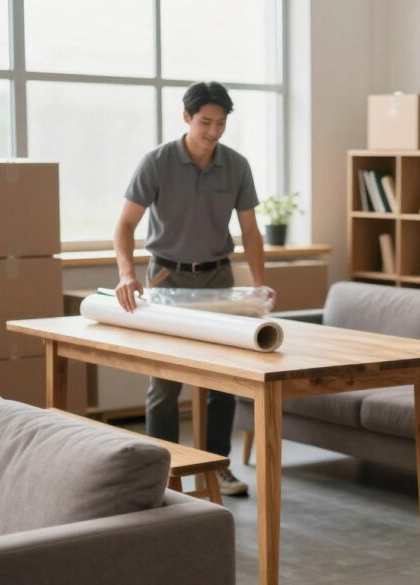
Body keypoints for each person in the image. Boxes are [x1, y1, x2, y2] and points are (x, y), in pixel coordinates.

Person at [113, 81, 269, 496]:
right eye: (205, 122)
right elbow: (125, 225)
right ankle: (161, 473)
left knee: (222, 379)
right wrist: (127, 274)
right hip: (167, 277)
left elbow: (250, 231)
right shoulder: (157, 162)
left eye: (221, 123)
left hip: (217, 279)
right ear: (186, 117)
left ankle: (217, 466)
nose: (213, 132)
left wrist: (259, 284)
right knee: (164, 383)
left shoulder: (236, 165)